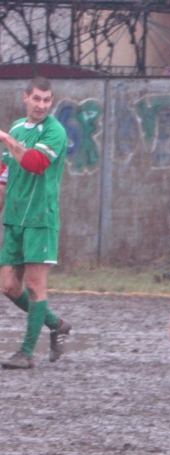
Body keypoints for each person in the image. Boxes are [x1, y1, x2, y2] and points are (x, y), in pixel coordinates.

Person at [0, 76, 72, 369]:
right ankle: (57, 324)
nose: (41, 105)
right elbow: (5, 175)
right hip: (15, 219)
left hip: (40, 218)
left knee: (33, 285)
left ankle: (26, 353)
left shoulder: (55, 132)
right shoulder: (18, 128)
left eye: (47, 99)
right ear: (25, 98)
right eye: (37, 98)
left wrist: (5, 139)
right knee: (7, 286)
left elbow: (33, 163)